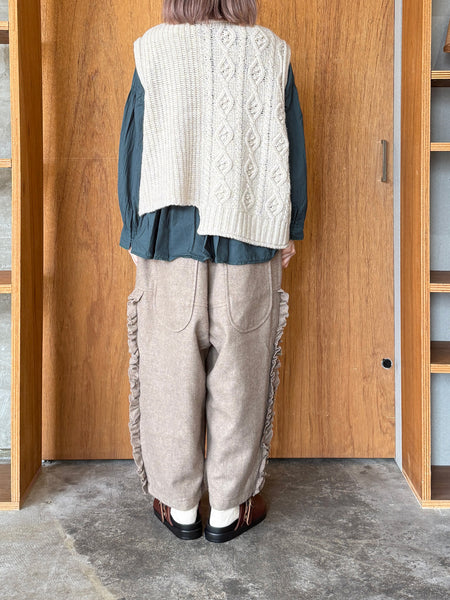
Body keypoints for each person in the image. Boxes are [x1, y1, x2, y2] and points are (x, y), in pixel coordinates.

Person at [118, 0, 307, 543]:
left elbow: (134, 145)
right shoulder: (271, 51)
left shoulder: (154, 48)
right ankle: (228, 508)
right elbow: (292, 146)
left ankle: (179, 505)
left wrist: (134, 230)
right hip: (250, 233)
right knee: (240, 373)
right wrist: (290, 227)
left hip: (168, 235)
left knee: (169, 370)